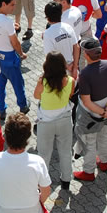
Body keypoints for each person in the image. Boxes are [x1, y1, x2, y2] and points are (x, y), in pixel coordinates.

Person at [73, 38, 107, 182]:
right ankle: (104, 163)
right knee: (105, 137)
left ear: (86, 55)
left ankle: (88, 172)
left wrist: (101, 112)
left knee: (89, 143)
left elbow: (87, 101)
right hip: (106, 112)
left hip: (90, 116)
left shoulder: (85, 74)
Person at [34, 51, 75, 190]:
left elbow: (36, 95)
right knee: (65, 151)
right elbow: (70, 95)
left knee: (44, 154)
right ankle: (66, 180)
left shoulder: (43, 81)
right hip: (64, 119)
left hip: (45, 122)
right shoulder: (70, 80)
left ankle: (42, 182)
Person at [0, 0, 29, 119]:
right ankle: (23, 106)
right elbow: (14, 42)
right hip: (9, 59)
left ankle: (1, 110)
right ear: (3, 4)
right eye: (12, 5)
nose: (14, 8)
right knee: (18, 84)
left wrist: (11, 28)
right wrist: (21, 54)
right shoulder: (7, 22)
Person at [42, 1, 80, 79]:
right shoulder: (68, 27)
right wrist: (75, 67)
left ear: (47, 18)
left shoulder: (48, 34)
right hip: (72, 70)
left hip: (58, 74)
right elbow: (76, 47)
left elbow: (51, 57)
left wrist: (67, 67)